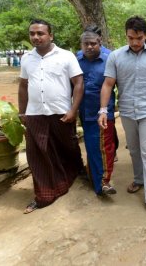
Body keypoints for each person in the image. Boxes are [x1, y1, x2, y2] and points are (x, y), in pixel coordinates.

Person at [98, 16, 146, 213]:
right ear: (126, 35)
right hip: (127, 111)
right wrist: (103, 110)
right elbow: (108, 84)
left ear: (145, 35)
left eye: (139, 38)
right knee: (133, 149)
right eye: (131, 37)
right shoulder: (115, 56)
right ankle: (139, 179)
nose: (134, 42)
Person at [18, 19, 84, 214]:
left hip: (60, 112)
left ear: (51, 35)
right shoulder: (26, 58)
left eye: (40, 33)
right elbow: (23, 85)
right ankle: (44, 195)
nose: (36, 37)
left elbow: (78, 83)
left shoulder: (65, 56)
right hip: (35, 114)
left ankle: (68, 178)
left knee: (66, 148)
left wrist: (73, 110)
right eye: (32, 34)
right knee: (37, 155)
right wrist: (22, 111)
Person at [77, 30, 116, 196]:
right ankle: (94, 177)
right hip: (83, 112)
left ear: (100, 42)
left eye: (93, 43)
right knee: (92, 147)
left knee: (105, 148)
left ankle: (104, 182)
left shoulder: (110, 60)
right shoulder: (76, 60)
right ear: (81, 45)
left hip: (103, 112)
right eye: (86, 44)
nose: (90, 47)